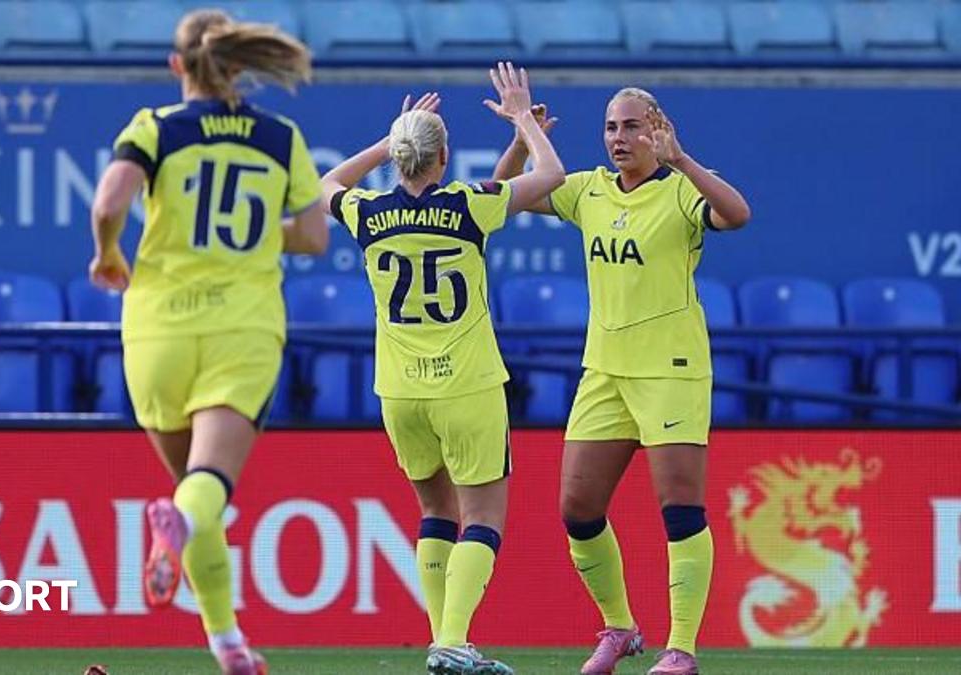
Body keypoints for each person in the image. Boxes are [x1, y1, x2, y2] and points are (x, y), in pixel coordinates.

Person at [87, 9, 328, 675]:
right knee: (203, 488)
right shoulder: (279, 136)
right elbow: (311, 236)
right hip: (240, 328)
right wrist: (255, 237)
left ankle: (229, 648)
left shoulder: (154, 128)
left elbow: (109, 203)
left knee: (196, 492)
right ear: (241, 68)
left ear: (177, 67)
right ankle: (184, 545)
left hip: (157, 328)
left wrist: (108, 254)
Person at [493, 87, 750, 675]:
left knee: (680, 509)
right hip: (605, 371)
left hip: (671, 370)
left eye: (631, 127)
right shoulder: (588, 190)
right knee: (577, 509)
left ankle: (681, 647)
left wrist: (684, 160)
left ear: (656, 130)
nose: (618, 139)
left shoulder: (684, 187)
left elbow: (738, 215)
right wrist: (519, 137)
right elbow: (502, 197)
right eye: (611, 127)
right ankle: (620, 628)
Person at [320, 63, 566, 675]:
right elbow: (553, 175)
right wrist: (521, 122)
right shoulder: (468, 207)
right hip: (468, 384)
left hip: (400, 393)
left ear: (399, 159)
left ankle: (445, 642)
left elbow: (326, 182)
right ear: (444, 157)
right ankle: (452, 640)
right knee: (482, 518)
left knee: (435, 513)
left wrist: (386, 140)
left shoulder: (369, 214)